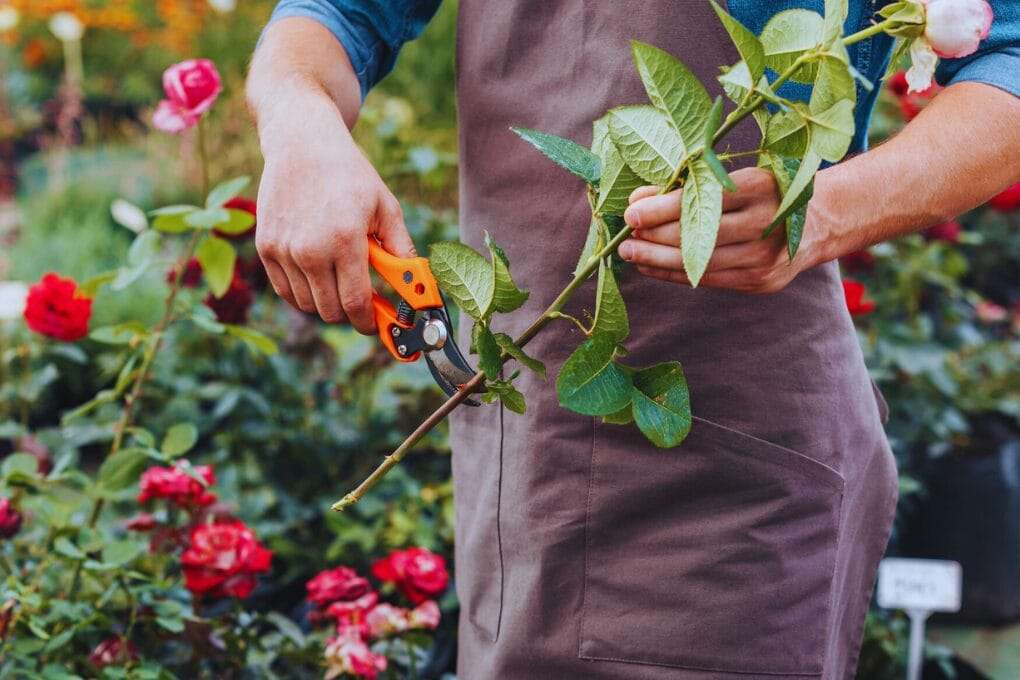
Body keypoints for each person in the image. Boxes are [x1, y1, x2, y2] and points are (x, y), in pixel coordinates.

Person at [247, 2, 1020, 678]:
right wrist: (300, 125)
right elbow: (335, 16)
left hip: (732, 483)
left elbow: (1010, 58)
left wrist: (823, 210)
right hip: (527, 452)